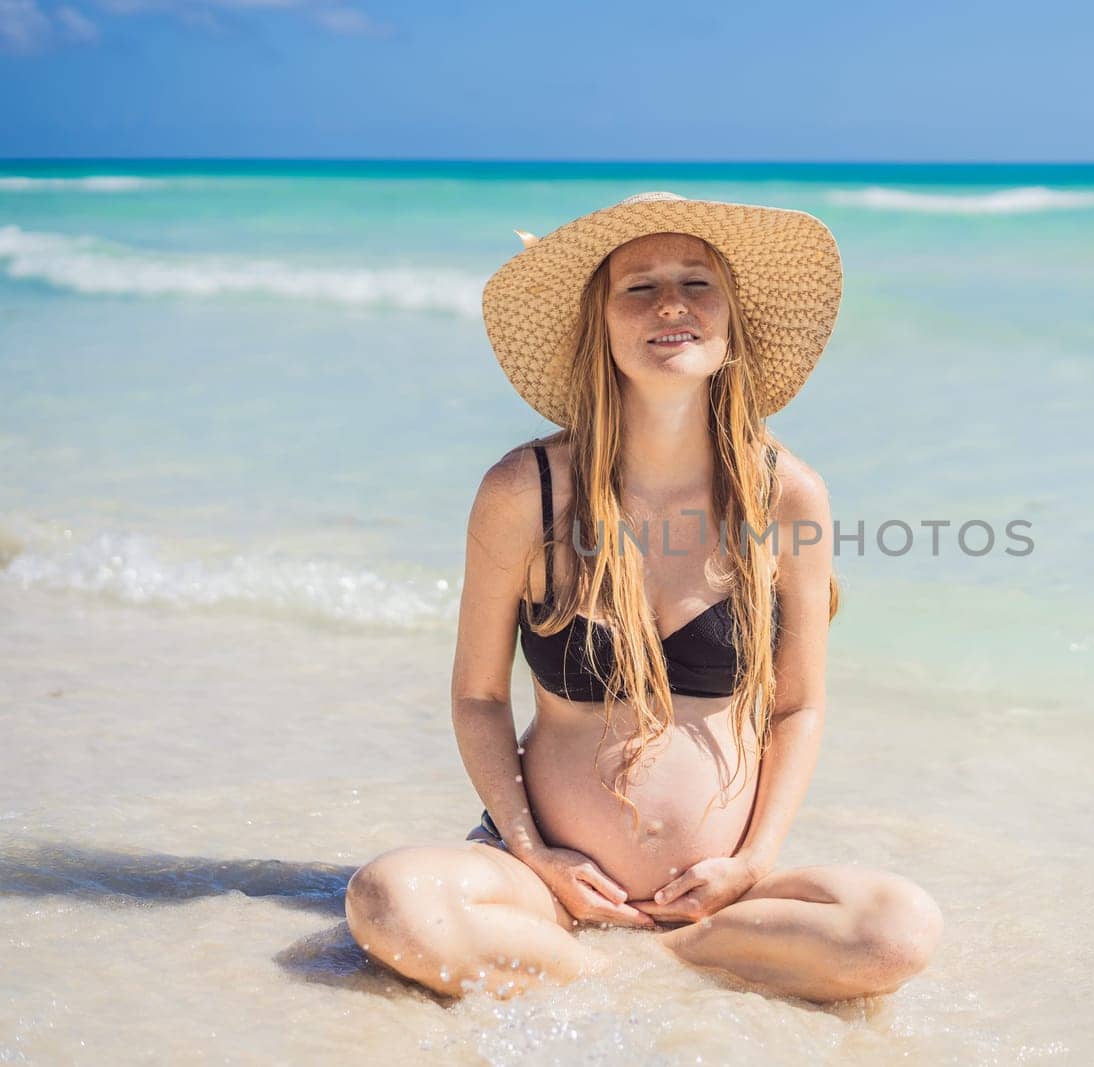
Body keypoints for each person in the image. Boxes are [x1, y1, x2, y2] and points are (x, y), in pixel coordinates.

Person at [343, 192, 942, 1003]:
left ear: (732, 322)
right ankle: (593, 968)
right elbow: (479, 695)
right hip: (544, 882)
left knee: (897, 929)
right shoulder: (529, 491)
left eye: (697, 284)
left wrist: (753, 863)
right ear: (603, 323)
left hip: (714, 902)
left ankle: (671, 962)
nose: (671, 305)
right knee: (390, 902)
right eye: (638, 286)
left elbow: (797, 705)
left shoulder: (785, 496)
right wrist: (530, 849)